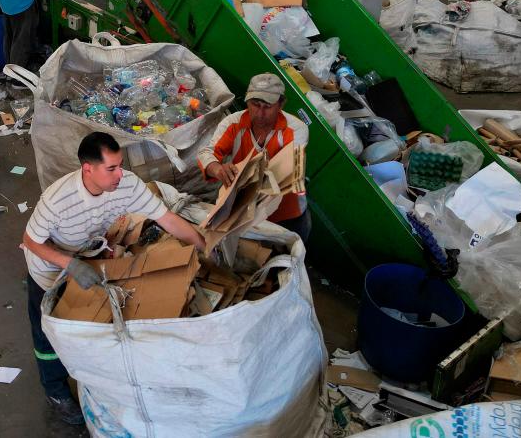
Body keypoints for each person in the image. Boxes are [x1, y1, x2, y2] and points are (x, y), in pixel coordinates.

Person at [21, 132, 206, 425]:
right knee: (47, 333)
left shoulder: (127, 184)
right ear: (88, 168)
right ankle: (55, 390)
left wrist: (202, 246)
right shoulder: (57, 199)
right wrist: (69, 264)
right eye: (112, 168)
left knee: (89, 324)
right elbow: (31, 242)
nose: (121, 174)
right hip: (49, 267)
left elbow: (167, 219)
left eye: (120, 165)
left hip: (89, 254)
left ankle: (92, 375)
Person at [197, 72, 312, 241]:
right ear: (247, 101)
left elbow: (288, 172)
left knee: (287, 251)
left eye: (267, 107)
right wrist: (217, 169)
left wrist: (243, 176)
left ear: (281, 104)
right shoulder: (233, 123)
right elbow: (206, 153)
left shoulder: (297, 129)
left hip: (286, 208)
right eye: (255, 104)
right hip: (245, 207)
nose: (259, 113)